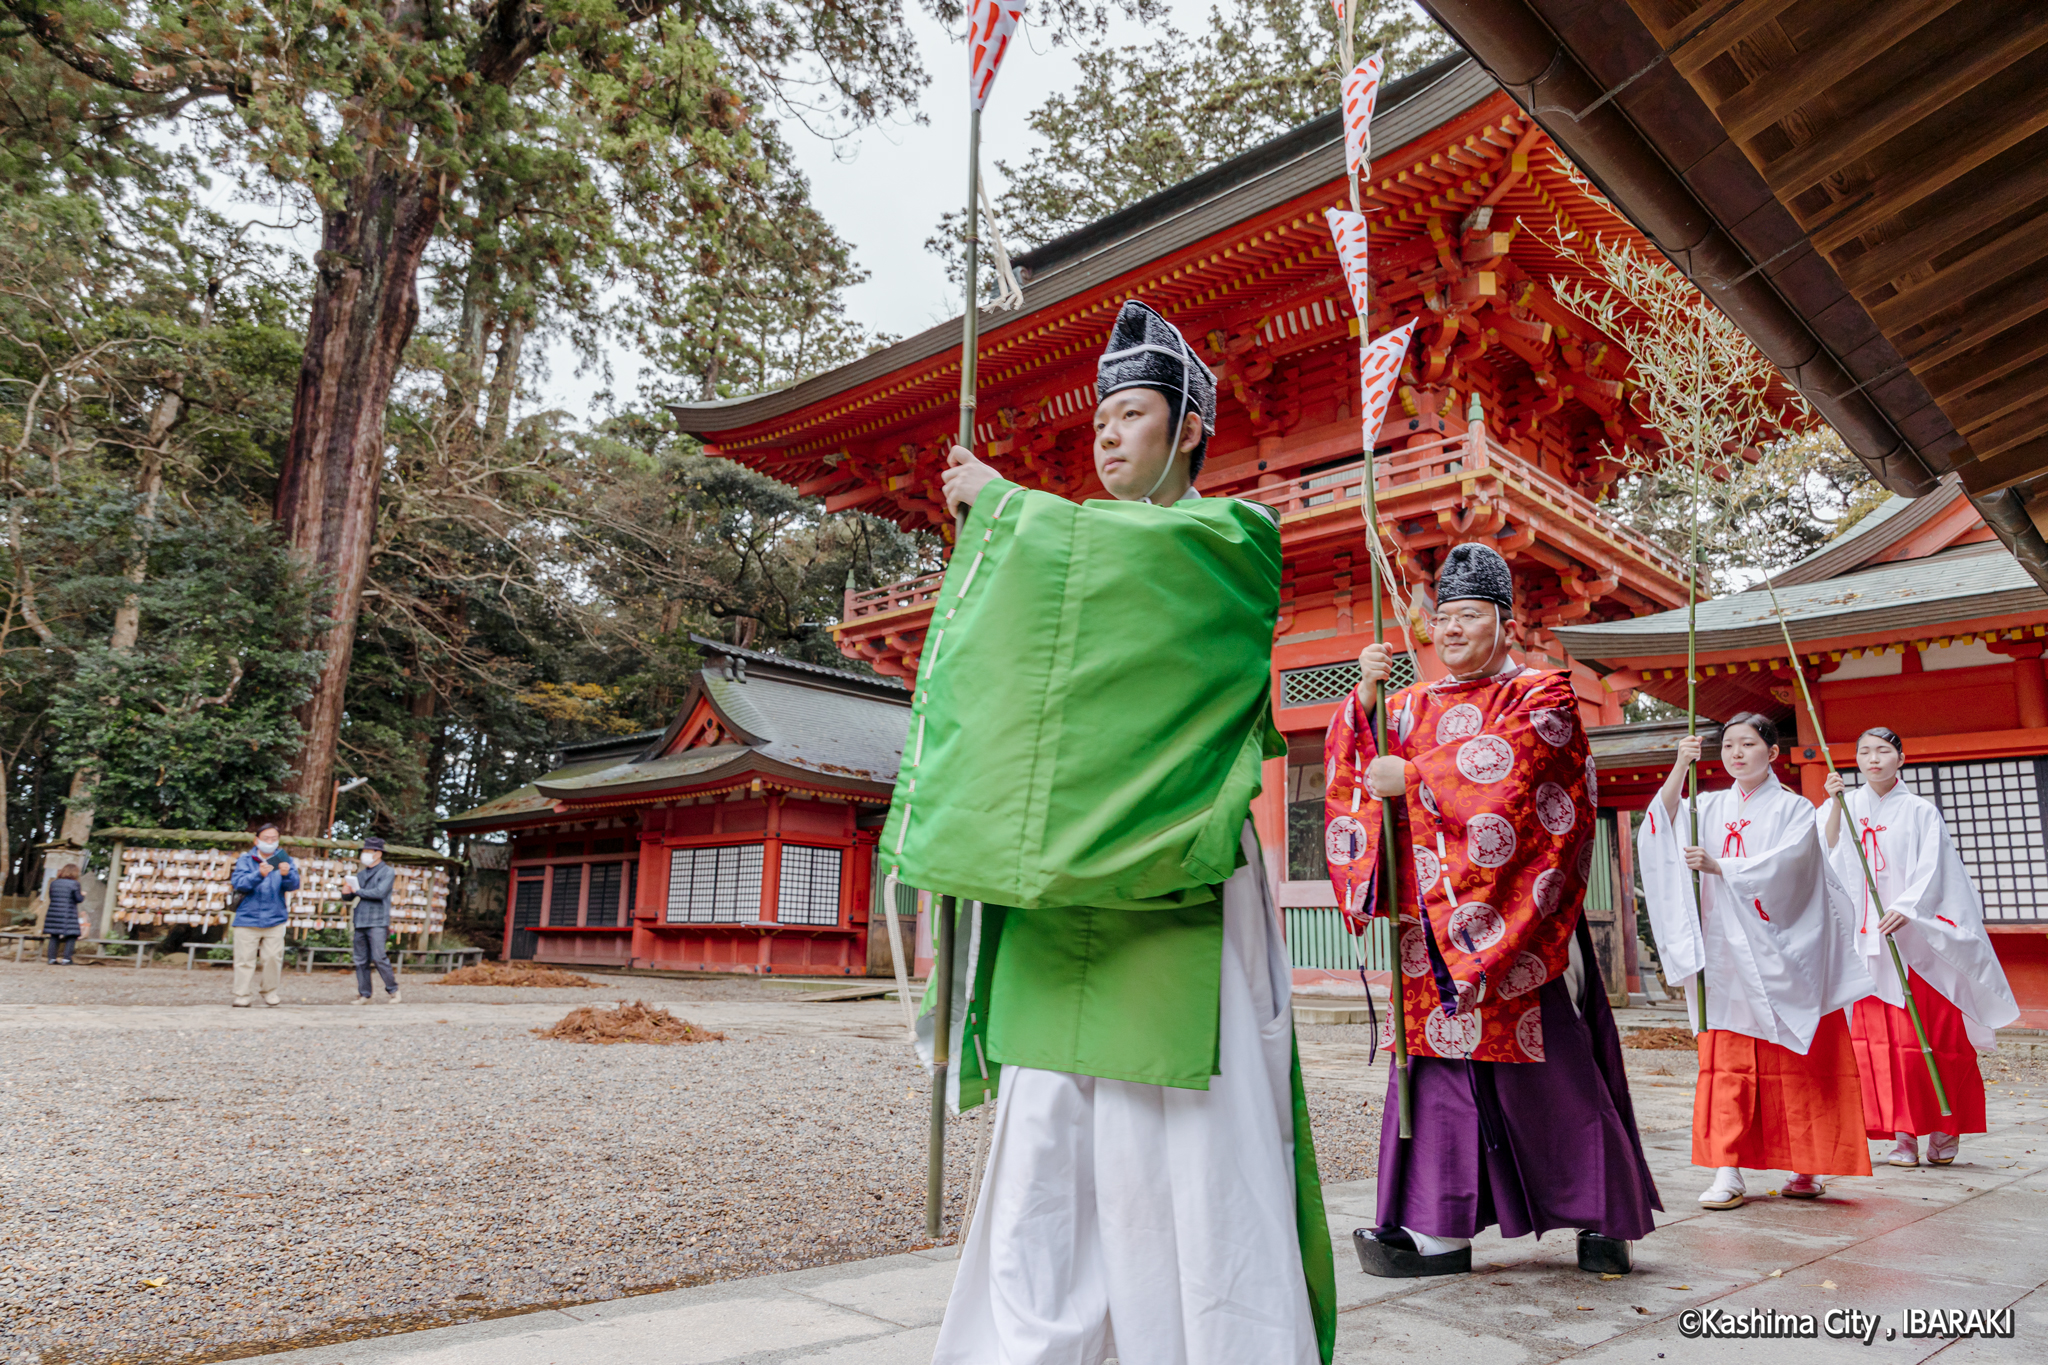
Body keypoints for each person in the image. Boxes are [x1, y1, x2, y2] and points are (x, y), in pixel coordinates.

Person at [911, 299, 1335, 1364]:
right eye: (1099, 418)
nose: (1105, 434)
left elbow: (1125, 581)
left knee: (1180, 1153)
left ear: (1189, 427)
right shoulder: (1063, 535)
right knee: (1046, 1137)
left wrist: (1004, 509)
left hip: (1174, 884)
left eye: (1133, 413)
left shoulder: (1229, 538)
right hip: (1058, 882)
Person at [1326, 542, 1661, 1279]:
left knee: (1555, 1074)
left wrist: (1411, 776)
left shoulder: (1543, 694)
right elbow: (1356, 766)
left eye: (1469, 616)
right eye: (1442, 618)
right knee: (1440, 1074)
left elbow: (1520, 773)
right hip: (1429, 937)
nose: (1450, 630)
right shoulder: (1409, 704)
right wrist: (1367, 706)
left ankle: (1602, 1219)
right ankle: (1440, 1231)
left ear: (1505, 623)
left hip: (1518, 925)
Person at [1638, 715, 1873, 1208]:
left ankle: (1807, 1167)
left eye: (1749, 743)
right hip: (1723, 954)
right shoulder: (1705, 805)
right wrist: (1682, 766)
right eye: (1728, 745)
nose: (1737, 753)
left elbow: (1794, 868)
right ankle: (1728, 1167)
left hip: (1779, 951)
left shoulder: (1793, 809)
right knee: (1727, 1064)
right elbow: (1660, 825)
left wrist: (1725, 866)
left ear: (1773, 752)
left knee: (1797, 1061)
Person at [1821, 727, 2018, 1167]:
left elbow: (1937, 869)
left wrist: (1908, 908)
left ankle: (1946, 1127)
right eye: (1865, 752)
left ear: (1901, 758)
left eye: (1883, 750)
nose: (1874, 759)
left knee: (1933, 1037)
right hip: (1867, 942)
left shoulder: (1920, 811)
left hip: (1916, 941)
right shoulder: (1847, 806)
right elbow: (1825, 848)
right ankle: (1903, 1134)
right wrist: (1833, 803)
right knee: (1880, 1046)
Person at [229, 824, 299, 1008]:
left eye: (273, 838)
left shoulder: (284, 859)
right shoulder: (246, 860)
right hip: (247, 917)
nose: (270, 842)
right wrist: (258, 874)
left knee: (273, 958)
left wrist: (286, 874)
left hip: (275, 917)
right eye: (266, 838)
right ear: (256, 840)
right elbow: (239, 883)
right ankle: (242, 995)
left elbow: (294, 884)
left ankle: (270, 992)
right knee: (244, 959)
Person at [344, 836, 401, 1005]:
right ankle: (364, 994)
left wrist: (357, 891)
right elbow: (350, 896)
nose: (365, 854)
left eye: (368, 852)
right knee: (360, 959)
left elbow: (379, 893)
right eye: (364, 851)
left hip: (377, 920)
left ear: (378, 854)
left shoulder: (388, 872)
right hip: (360, 919)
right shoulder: (361, 874)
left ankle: (393, 990)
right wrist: (346, 891)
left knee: (379, 956)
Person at [43, 863, 85, 964]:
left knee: (54, 935)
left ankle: (51, 959)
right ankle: (66, 959)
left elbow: (51, 896)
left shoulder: (54, 883)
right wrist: (83, 895)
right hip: (68, 913)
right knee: (72, 935)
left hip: (54, 912)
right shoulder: (75, 884)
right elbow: (78, 899)